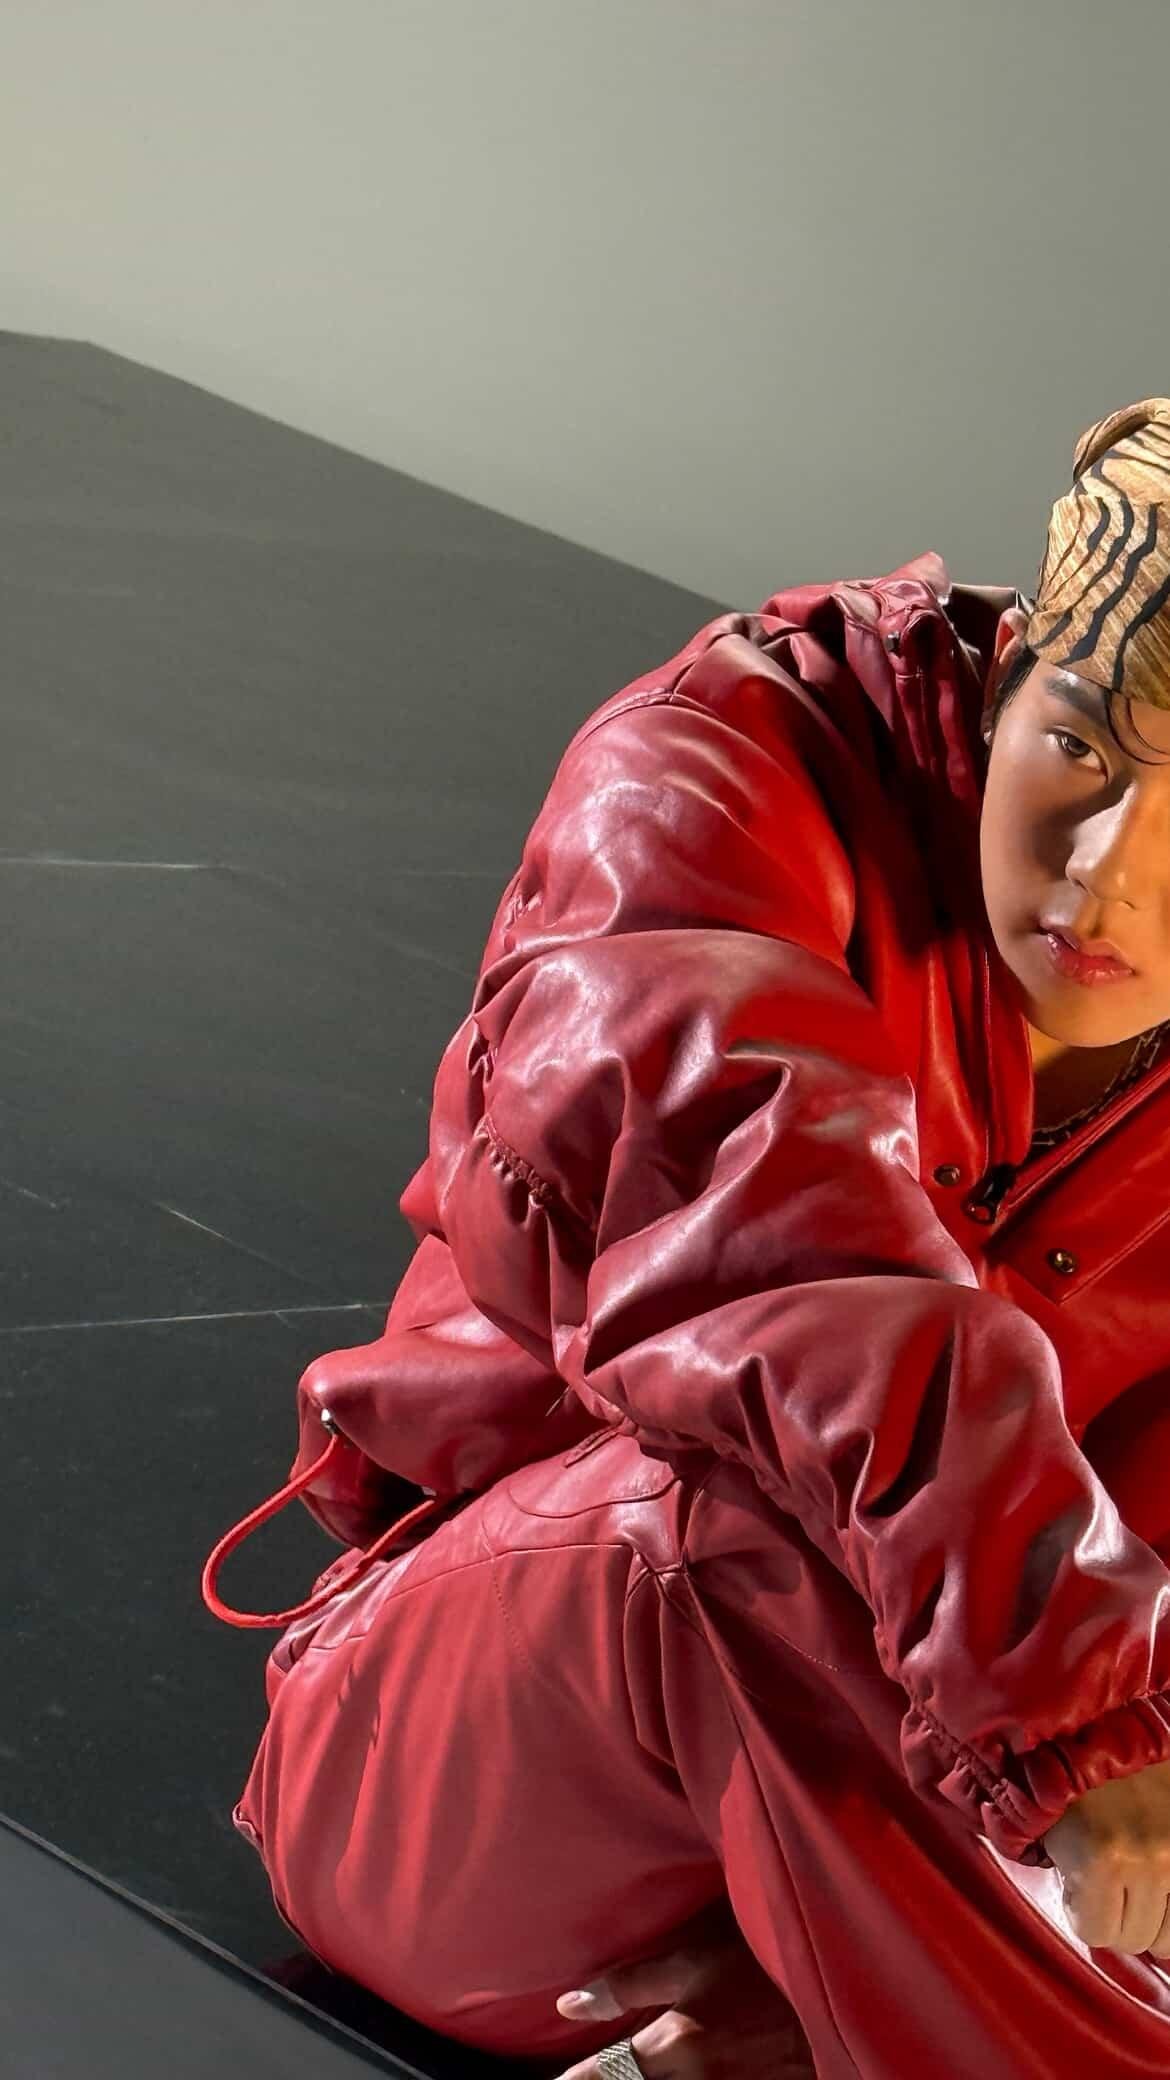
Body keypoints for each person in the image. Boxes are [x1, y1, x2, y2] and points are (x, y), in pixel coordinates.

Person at [205, 398, 1170, 2078]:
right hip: (482, 1764)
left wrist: (829, 1955)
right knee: (734, 1523)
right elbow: (764, 1245)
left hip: (925, 1819)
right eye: (1082, 748)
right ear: (1014, 664)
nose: (1105, 874)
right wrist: (1078, 1709)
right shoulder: (718, 761)